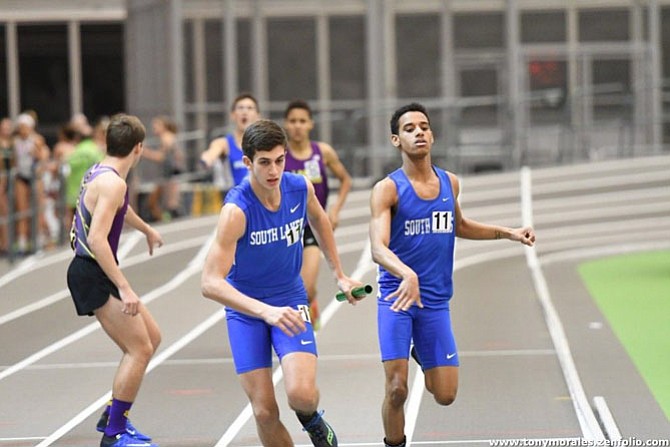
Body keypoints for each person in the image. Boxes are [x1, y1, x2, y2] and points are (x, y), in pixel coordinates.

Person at [369, 103, 536, 447]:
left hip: (434, 302)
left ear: (432, 135)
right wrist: (406, 274)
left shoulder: (451, 183)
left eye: (424, 127)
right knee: (397, 389)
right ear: (396, 140)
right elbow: (378, 248)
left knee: (445, 395)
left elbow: (458, 225)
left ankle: (423, 356)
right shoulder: (387, 189)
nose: (419, 133)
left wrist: (508, 232)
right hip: (397, 299)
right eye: (410, 128)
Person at [201, 119, 362, 447]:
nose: (273, 171)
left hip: (290, 298)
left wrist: (340, 274)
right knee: (264, 412)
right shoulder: (236, 210)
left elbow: (320, 221)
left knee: (301, 395)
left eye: (279, 160)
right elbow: (209, 283)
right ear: (247, 162)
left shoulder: (299, 188)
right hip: (247, 310)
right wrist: (265, 312)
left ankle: (311, 419)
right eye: (264, 162)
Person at [66, 113, 164, 447]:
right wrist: (124, 286)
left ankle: (112, 414)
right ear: (139, 148)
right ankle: (114, 433)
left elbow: (117, 208)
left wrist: (146, 228)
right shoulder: (114, 182)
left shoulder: (103, 172)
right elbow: (96, 239)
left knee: (152, 337)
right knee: (139, 349)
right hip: (91, 273)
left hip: (92, 270)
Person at [283, 99, 352, 329]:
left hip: (312, 226)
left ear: (310, 124)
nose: (297, 126)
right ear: (286, 124)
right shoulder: (280, 155)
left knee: (307, 286)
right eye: (292, 121)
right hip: (286, 227)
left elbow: (345, 180)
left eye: (302, 121)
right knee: (286, 284)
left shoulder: (322, 152)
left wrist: (335, 210)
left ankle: (309, 304)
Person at [199, 92, 260, 188]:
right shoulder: (224, 143)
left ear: (257, 115)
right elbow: (212, 152)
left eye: (249, 108)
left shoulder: (263, 145)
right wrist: (206, 159)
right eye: (240, 108)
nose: (245, 112)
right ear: (233, 115)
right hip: (232, 199)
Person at [141, 115, 186, 221]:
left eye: (156, 125)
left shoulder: (167, 138)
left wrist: (144, 152)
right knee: (162, 201)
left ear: (164, 126)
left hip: (170, 173)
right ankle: (166, 218)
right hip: (168, 173)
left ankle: (170, 219)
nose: (154, 128)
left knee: (169, 202)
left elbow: (161, 157)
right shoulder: (168, 137)